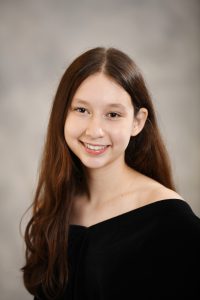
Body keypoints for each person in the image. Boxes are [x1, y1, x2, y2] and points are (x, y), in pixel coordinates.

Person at [21, 47, 200, 300]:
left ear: (137, 122)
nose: (95, 130)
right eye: (81, 110)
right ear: (62, 114)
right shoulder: (56, 205)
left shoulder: (172, 222)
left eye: (113, 114)